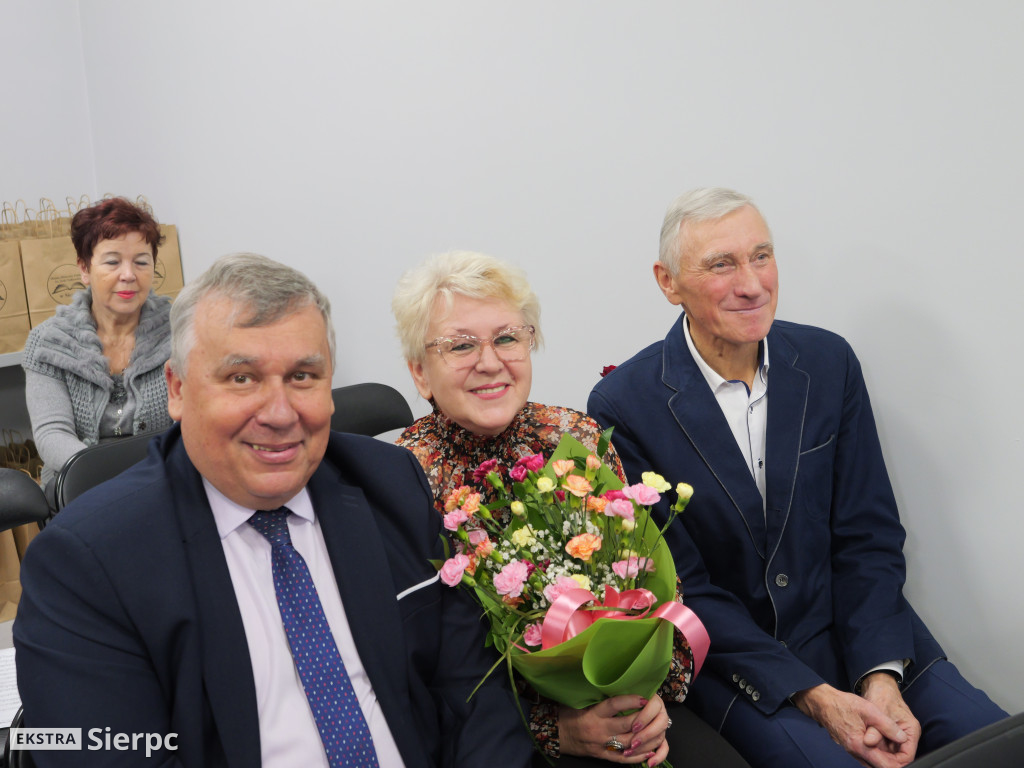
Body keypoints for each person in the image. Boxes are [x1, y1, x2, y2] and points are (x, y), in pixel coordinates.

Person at [14, 253, 534, 768]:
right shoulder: (86, 562)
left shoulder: (391, 484)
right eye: (242, 378)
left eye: (304, 376)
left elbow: (475, 697)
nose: (280, 413)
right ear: (177, 389)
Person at [587, 187, 1008, 768]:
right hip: (748, 673)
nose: (753, 283)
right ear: (668, 282)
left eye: (762, 255)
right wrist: (817, 699)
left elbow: (869, 534)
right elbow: (686, 591)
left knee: (997, 744)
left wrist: (880, 677)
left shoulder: (828, 363)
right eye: (722, 264)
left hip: (861, 636)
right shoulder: (623, 404)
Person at [392, 251, 749, 768]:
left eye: (508, 337)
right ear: (420, 373)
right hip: (494, 739)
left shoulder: (574, 437)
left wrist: (647, 699)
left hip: (623, 711)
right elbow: (422, 671)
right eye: (461, 345)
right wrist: (555, 730)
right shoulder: (403, 480)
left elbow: (647, 582)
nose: (490, 361)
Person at [21, 197, 173, 498]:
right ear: (84, 269)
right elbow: (53, 434)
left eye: (141, 261)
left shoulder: (181, 332)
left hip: (165, 485)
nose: (128, 274)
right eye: (113, 261)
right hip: (81, 489)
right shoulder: (48, 342)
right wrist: (116, 485)